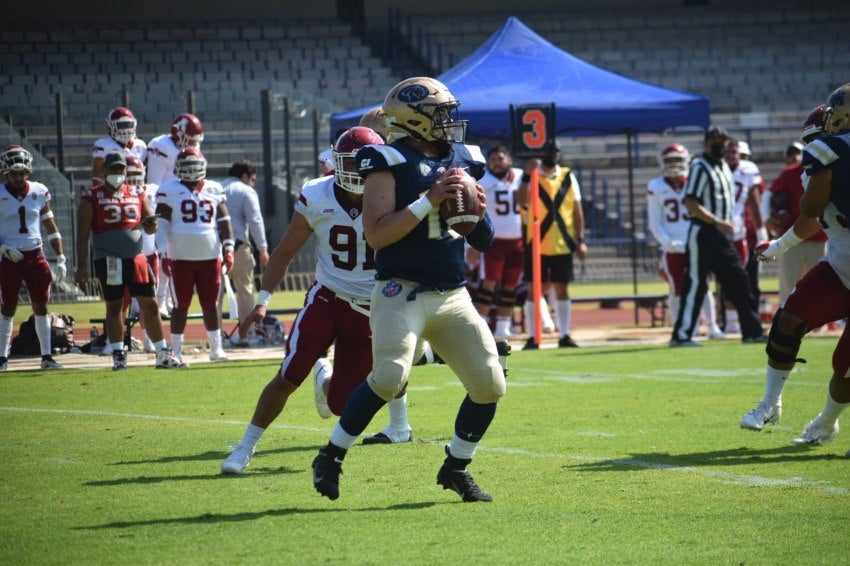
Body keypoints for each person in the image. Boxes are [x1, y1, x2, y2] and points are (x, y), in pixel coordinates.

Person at [311, 77, 505, 503]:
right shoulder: (385, 159)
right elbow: (378, 235)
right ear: (413, 117)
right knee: (390, 375)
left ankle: (456, 467)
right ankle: (331, 455)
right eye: (439, 113)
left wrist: (478, 214)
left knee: (490, 385)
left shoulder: (464, 157)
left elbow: (484, 241)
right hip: (401, 289)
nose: (448, 121)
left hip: (452, 293)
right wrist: (429, 199)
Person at [221, 126, 404, 475]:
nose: (359, 170)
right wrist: (262, 300)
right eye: (352, 162)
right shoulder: (317, 194)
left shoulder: (392, 193)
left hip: (370, 308)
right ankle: (244, 448)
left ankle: (325, 375)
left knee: (340, 406)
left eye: (366, 163)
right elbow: (286, 250)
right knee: (289, 374)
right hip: (328, 297)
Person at [740, 83, 850, 445]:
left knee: (845, 369)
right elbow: (810, 216)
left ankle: (824, 423)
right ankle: (770, 403)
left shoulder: (829, 150)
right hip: (839, 268)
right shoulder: (825, 160)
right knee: (787, 322)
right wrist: (779, 246)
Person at [74, 152, 182, 370]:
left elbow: (150, 222)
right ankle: (118, 354)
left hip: (137, 258)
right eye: (113, 169)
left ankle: (162, 352)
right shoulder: (92, 196)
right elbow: (83, 234)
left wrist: (152, 225)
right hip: (109, 259)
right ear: (104, 170)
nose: (117, 173)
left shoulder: (137, 192)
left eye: (120, 169)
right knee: (115, 307)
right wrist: (82, 265)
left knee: (150, 305)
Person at [670, 126, 765, 346]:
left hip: (723, 235)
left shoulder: (723, 166)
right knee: (695, 282)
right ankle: (682, 335)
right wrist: (716, 221)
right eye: (715, 141)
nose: (720, 145)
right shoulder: (699, 167)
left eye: (722, 141)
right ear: (705, 144)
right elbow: (690, 202)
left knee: (739, 280)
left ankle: (752, 331)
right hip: (703, 232)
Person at [154, 147, 233, 365]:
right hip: (180, 258)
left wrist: (229, 249)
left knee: (211, 304)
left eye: (194, 166)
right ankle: (176, 352)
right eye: (186, 166)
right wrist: (162, 253)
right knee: (180, 306)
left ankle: (216, 349)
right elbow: (161, 225)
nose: (190, 171)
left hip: (210, 257)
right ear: (178, 168)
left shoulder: (214, 188)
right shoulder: (169, 189)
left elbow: (225, 222)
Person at [646, 143, 724, 338]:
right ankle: (682, 326)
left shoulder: (695, 181)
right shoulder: (656, 186)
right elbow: (654, 221)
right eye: (669, 160)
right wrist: (666, 242)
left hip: (696, 241)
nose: (673, 164)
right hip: (672, 245)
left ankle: (712, 326)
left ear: (686, 161)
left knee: (703, 285)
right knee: (677, 288)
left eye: (677, 159)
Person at [0, 145, 66, 371]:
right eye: (14, 173)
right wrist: (3, 248)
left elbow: (50, 225)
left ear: (28, 171)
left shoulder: (39, 191)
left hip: (35, 254)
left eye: (22, 173)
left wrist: (60, 256)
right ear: (5, 172)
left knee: (41, 306)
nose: (18, 178)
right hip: (10, 257)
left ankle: (47, 357)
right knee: (8, 307)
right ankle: (2, 357)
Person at [518, 142, 588, 349]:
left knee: (562, 289)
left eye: (556, 151)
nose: (553, 155)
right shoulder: (531, 176)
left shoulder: (568, 176)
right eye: (549, 151)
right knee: (532, 290)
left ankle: (564, 334)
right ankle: (533, 336)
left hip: (562, 241)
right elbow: (521, 201)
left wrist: (581, 240)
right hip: (536, 241)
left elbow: (577, 210)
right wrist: (525, 175)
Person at [762, 109, 828, 304]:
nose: (795, 157)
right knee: (789, 285)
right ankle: (784, 321)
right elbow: (769, 194)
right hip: (794, 237)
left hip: (820, 237)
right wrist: (768, 217)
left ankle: (820, 322)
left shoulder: (828, 168)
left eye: (796, 152)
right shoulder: (791, 173)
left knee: (821, 285)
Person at [147, 113, 205, 318]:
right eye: (190, 138)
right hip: (162, 203)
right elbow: (154, 182)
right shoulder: (161, 145)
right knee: (163, 254)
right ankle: (160, 299)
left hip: (180, 204)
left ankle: (170, 299)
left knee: (174, 256)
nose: (193, 144)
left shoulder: (188, 149)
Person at [468, 146, 524, 339]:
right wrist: (471, 245)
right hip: (493, 242)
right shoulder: (483, 180)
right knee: (488, 284)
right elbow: (473, 212)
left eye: (500, 159)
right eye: (493, 159)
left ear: (509, 160)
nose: (496, 162)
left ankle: (503, 327)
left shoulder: (520, 176)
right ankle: (480, 326)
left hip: (518, 241)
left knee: (511, 285)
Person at [220, 161, 269, 344]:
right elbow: (255, 220)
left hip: (216, 247)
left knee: (214, 295)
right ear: (244, 176)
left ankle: (216, 337)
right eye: (252, 179)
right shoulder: (245, 191)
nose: (253, 184)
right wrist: (262, 249)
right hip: (239, 246)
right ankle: (247, 335)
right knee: (245, 290)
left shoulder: (215, 187)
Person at [721, 139, 766, 333]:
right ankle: (728, 322)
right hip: (719, 231)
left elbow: (755, 202)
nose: (731, 155)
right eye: (727, 151)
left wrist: (761, 231)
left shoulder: (748, 170)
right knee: (724, 280)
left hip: (741, 232)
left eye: (734, 152)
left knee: (744, 279)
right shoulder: (714, 168)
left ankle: (746, 320)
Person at [125, 156, 163, 352]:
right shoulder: (120, 195)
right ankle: (114, 343)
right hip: (127, 253)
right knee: (120, 300)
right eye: (128, 175)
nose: (132, 180)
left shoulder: (153, 190)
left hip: (148, 253)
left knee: (149, 301)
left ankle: (150, 341)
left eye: (136, 175)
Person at [91, 107, 147, 187]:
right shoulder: (103, 145)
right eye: (121, 125)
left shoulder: (141, 145)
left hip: (137, 188)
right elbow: (98, 175)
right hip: (113, 188)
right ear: (110, 126)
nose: (125, 129)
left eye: (128, 125)